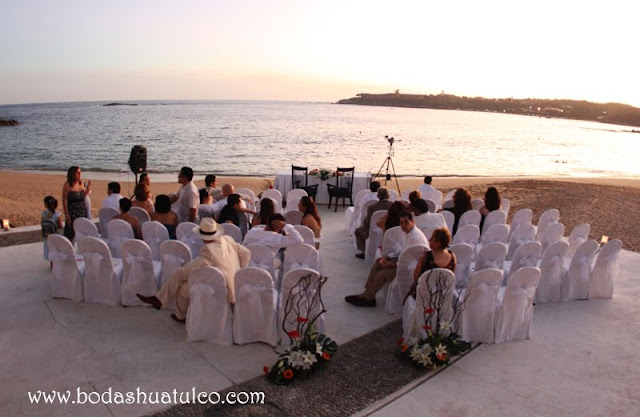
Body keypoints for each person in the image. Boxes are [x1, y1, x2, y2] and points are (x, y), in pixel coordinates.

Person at [136, 218, 251, 322]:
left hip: (221, 291)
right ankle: (160, 299)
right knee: (182, 276)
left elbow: (188, 270)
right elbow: (246, 253)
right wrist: (240, 272)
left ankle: (177, 314)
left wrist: (180, 273)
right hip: (236, 286)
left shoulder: (209, 250)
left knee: (182, 285)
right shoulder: (228, 239)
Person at [345, 211, 429, 307]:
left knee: (382, 274)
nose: (403, 225)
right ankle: (368, 294)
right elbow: (403, 251)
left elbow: (411, 262)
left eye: (406, 222)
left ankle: (368, 298)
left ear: (412, 222)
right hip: (404, 262)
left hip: (412, 269)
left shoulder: (415, 237)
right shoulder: (408, 232)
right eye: (401, 222)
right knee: (378, 263)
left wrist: (391, 264)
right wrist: (388, 257)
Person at [407, 227, 457, 300]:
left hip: (424, 294)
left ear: (438, 243)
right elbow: (451, 277)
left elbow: (416, 277)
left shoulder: (426, 257)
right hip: (442, 294)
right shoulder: (453, 257)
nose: (429, 240)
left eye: (432, 239)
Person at [355, 187, 392, 259]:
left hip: (374, 231)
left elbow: (367, 223)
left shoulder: (372, 207)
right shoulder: (393, 206)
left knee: (358, 231)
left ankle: (364, 252)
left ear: (378, 196)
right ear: (388, 195)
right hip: (389, 229)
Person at [62, 166, 91, 240]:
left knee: (82, 232)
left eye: (80, 172)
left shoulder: (81, 183)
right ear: (73, 174)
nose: (80, 174)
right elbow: (64, 200)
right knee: (71, 233)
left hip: (82, 210)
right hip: (72, 211)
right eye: (78, 173)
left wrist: (89, 186)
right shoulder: (67, 185)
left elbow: (85, 194)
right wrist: (67, 215)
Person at [42, 196, 63, 262]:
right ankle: (55, 262)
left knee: (49, 248)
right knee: (56, 248)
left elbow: (42, 223)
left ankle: (51, 262)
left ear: (46, 205)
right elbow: (60, 224)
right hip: (55, 234)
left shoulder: (44, 213)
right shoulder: (57, 213)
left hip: (47, 235)